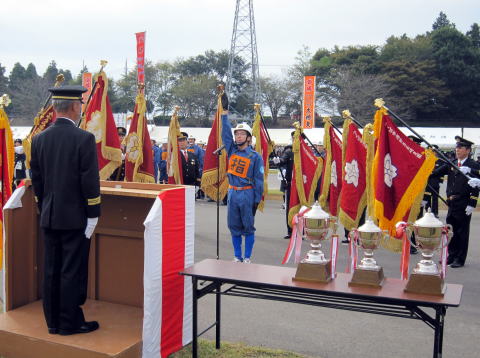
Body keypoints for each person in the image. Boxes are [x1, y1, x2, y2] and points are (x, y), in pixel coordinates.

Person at [30, 85, 101, 335]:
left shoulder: (38, 139)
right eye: (80, 105)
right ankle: (69, 323)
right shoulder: (84, 138)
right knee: (71, 270)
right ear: (74, 107)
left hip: (49, 215)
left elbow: (36, 179)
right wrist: (93, 214)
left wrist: (44, 206)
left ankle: (52, 322)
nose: (81, 108)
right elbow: (89, 181)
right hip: (75, 218)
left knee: (51, 270)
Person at [221, 98, 264, 263]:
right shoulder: (231, 150)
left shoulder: (255, 156)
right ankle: (237, 256)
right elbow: (225, 133)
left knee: (248, 227)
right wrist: (224, 114)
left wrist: (256, 200)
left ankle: (247, 257)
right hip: (233, 193)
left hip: (247, 193)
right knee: (234, 226)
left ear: (248, 138)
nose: (238, 136)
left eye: (242, 134)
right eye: (237, 134)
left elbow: (259, 180)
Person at [431, 136, 479, 268]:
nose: (457, 150)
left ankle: (460, 258)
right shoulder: (451, 163)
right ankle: (451, 255)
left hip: (464, 202)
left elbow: (476, 186)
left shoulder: (473, 165)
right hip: (451, 203)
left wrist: (472, 203)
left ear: (468, 150)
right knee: (450, 230)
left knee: (462, 232)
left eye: (460, 148)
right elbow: (435, 173)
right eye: (456, 147)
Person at [272, 132, 294, 239]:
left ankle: (302, 231)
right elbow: (283, 160)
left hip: (302, 183)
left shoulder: (305, 151)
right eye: (294, 138)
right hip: (291, 183)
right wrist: (278, 161)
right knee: (290, 207)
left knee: (302, 208)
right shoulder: (289, 151)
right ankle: (290, 231)